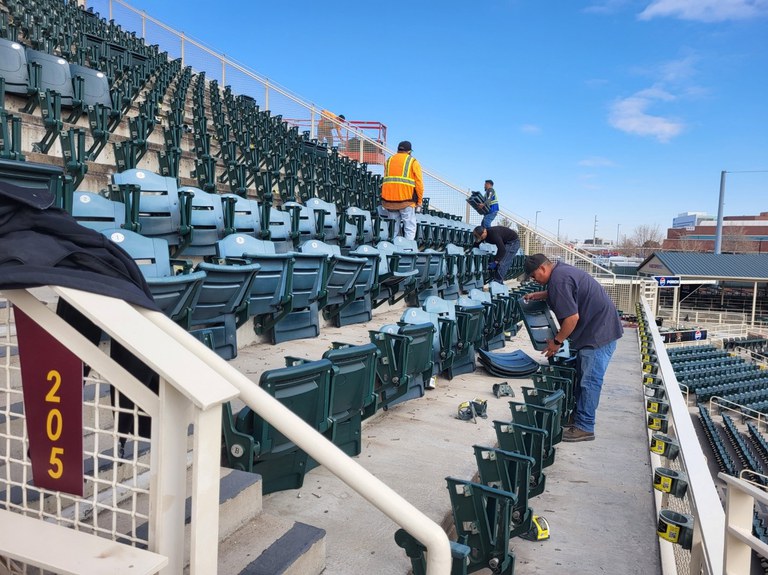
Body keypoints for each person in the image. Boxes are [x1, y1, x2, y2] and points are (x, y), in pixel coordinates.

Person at [522, 254, 624, 443]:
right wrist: (542, 294)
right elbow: (570, 293)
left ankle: (585, 426)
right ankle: (579, 418)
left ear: (543, 269)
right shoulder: (561, 272)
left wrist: (557, 342)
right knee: (583, 378)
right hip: (599, 329)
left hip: (598, 335)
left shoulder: (558, 280)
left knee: (589, 382)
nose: (534, 280)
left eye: (534, 276)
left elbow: (571, 319)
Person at [380, 141, 424, 241]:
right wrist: (420, 202)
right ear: (409, 151)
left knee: (393, 228)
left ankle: (392, 250)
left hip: (389, 201)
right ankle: (407, 251)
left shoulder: (389, 160)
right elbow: (419, 184)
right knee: (409, 227)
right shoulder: (413, 161)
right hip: (406, 200)